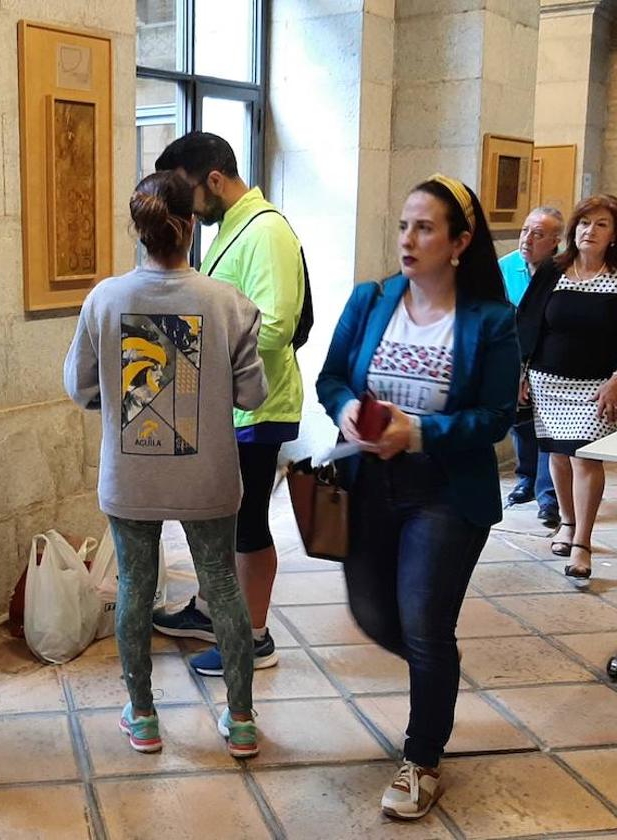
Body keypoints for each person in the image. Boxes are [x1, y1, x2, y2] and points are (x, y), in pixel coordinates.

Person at [316, 174, 519, 819]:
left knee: (427, 625)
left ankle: (422, 757)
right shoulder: (371, 299)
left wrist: (421, 432)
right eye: (404, 225)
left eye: (425, 227)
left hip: (444, 494)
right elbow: (331, 377)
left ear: (459, 242)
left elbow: (494, 417)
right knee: (375, 614)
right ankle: (439, 678)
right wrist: (348, 408)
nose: (408, 239)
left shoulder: (490, 320)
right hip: (369, 483)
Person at [64, 171, 268, 758]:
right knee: (223, 585)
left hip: (132, 474)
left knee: (135, 586)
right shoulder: (227, 302)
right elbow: (252, 396)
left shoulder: (104, 299)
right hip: (207, 475)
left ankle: (145, 716)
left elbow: (79, 386)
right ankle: (242, 719)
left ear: (140, 228)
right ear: (192, 226)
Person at [150, 132, 305, 678]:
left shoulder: (266, 232)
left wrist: (199, 343)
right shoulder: (233, 228)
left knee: (247, 524)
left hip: (258, 409)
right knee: (218, 520)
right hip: (229, 407)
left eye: (186, 191)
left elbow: (277, 323)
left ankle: (255, 637)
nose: (183, 206)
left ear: (213, 180)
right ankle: (212, 611)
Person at [517, 194, 617, 581]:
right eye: (585, 223)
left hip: (597, 386)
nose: (590, 231)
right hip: (548, 382)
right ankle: (568, 523)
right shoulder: (554, 270)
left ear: (614, 235)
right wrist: (521, 372)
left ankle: (583, 543)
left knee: (586, 458)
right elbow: (528, 322)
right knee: (558, 456)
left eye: (601, 225)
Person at [499, 207, 563, 527]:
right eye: (525, 230)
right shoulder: (506, 267)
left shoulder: (564, 271)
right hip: (514, 354)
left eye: (538, 234)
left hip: (550, 358)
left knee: (547, 427)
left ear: (555, 242)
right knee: (521, 423)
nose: (528, 239)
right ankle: (525, 480)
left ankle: (548, 496)